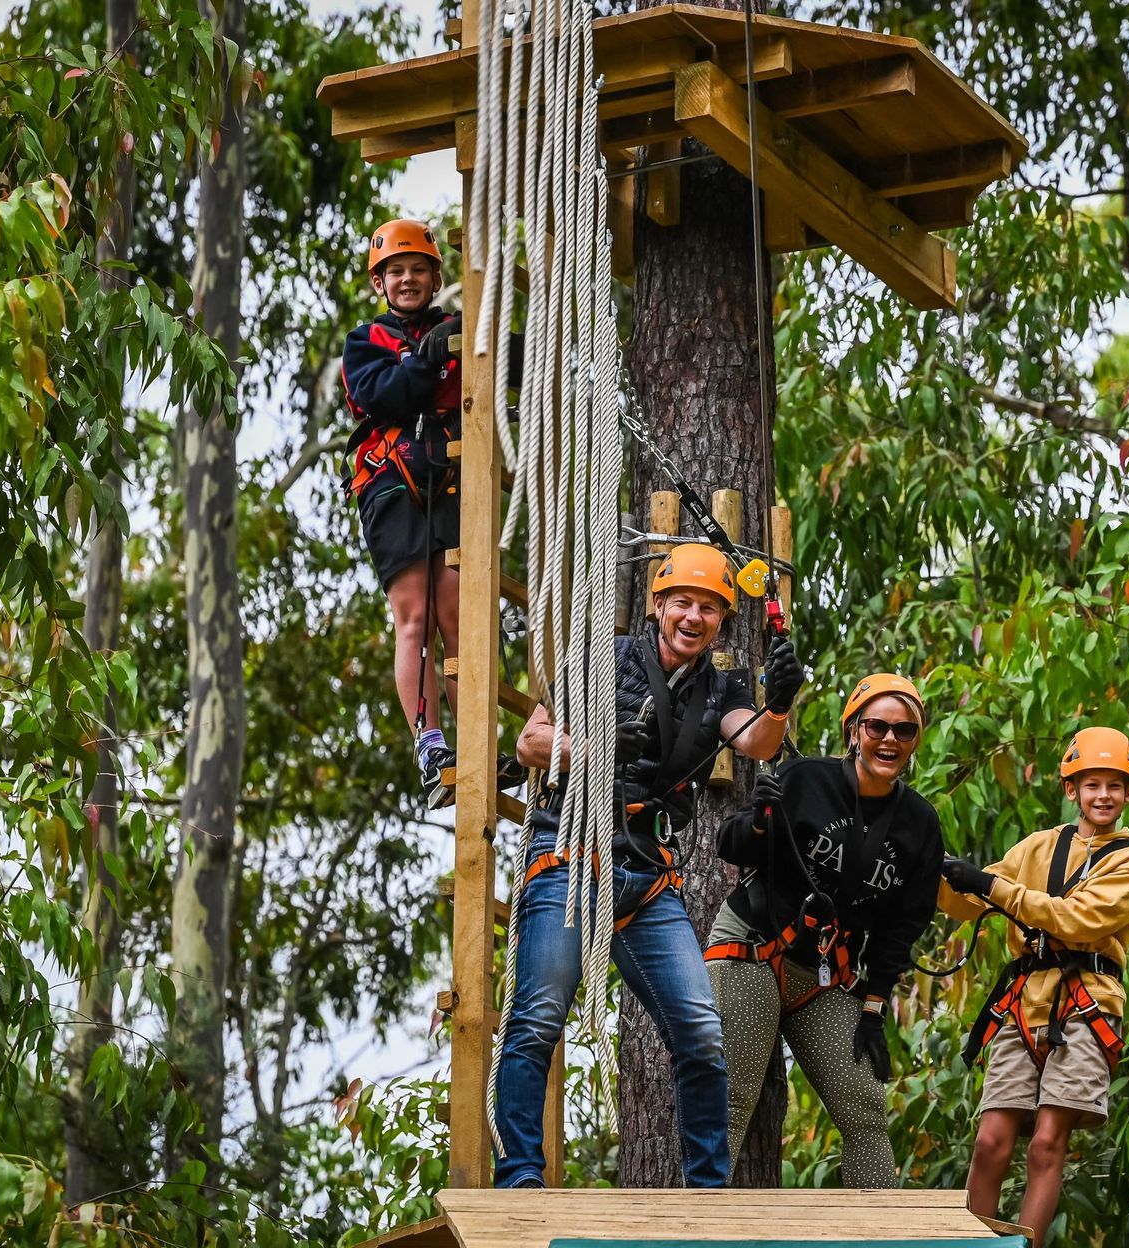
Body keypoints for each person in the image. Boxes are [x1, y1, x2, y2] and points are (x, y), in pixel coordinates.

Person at [496, 542, 805, 1189]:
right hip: (571, 858)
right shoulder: (604, 660)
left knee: (699, 1030)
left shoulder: (721, 689)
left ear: (722, 620)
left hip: (645, 877)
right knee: (537, 1018)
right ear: (658, 605)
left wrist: (778, 702)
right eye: (683, 603)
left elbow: (755, 740)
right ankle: (520, 1179)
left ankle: (708, 1190)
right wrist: (595, 747)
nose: (694, 617)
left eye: (710, 609)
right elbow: (531, 740)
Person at [705, 673, 944, 1188]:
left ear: (914, 742)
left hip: (823, 976)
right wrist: (762, 820)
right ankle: (698, 1230)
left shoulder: (919, 825)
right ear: (853, 731)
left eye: (903, 732)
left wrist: (875, 1008)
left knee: (865, 1112)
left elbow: (901, 929)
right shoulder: (806, 779)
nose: (889, 739)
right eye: (877, 726)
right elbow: (730, 844)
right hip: (754, 945)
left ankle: (874, 1237)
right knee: (734, 1096)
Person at [939, 727, 1129, 1246]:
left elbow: (1075, 921)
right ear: (1071, 789)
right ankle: (969, 1241)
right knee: (991, 1141)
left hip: (1087, 1005)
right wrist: (930, 866)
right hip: (1023, 1004)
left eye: (1115, 786)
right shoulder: (1037, 847)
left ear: (1128, 793)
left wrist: (989, 885)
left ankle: (1025, 1244)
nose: (1103, 796)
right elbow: (966, 902)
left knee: (1046, 1145)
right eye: (1092, 784)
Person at [339, 217, 465, 806]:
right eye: (397, 272)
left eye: (418, 269)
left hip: (448, 475)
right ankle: (432, 742)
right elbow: (385, 395)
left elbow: (505, 367)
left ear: (435, 276)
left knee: (457, 611)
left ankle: (474, 741)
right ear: (380, 284)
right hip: (390, 479)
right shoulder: (366, 341)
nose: (408, 279)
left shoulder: (458, 332)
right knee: (414, 617)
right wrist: (428, 360)